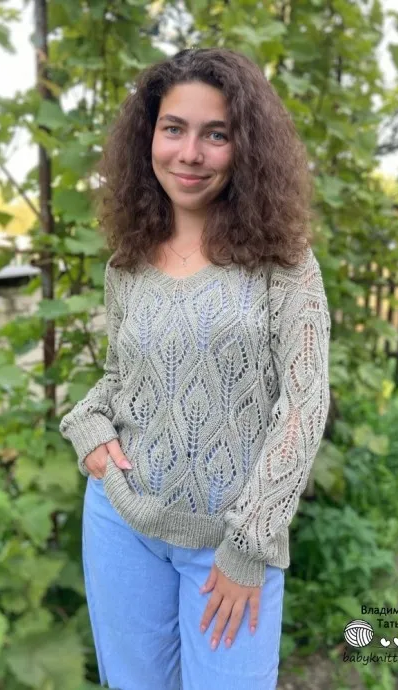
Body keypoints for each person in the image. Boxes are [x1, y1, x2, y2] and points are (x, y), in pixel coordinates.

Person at [59, 47, 331, 690]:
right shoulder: (128, 264)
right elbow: (123, 379)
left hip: (230, 546)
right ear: (149, 137)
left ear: (246, 147)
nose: (190, 153)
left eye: (216, 134)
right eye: (174, 128)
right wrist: (87, 424)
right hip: (122, 523)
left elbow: (303, 404)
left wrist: (249, 545)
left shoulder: (284, 263)